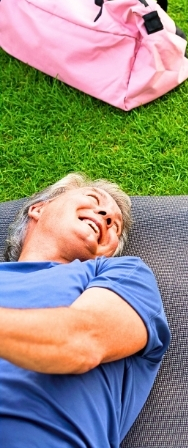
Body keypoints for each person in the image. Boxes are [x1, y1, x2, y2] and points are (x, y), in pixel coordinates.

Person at [0, 173, 170, 448]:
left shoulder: (122, 274)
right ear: (39, 209)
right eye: (93, 199)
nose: (105, 215)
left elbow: (80, 342)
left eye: (114, 225)